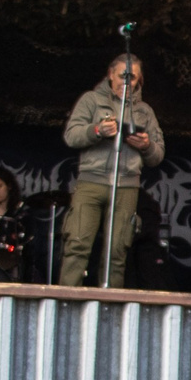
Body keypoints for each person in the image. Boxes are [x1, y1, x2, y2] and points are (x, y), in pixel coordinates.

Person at [59, 51, 163, 288]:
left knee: (117, 251)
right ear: (110, 75)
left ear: (139, 80)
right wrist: (96, 131)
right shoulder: (91, 100)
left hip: (126, 184)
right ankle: (65, 300)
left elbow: (158, 155)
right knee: (77, 245)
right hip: (91, 182)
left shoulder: (145, 111)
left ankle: (110, 307)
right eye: (122, 76)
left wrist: (146, 146)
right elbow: (71, 136)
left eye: (133, 77)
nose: (126, 82)